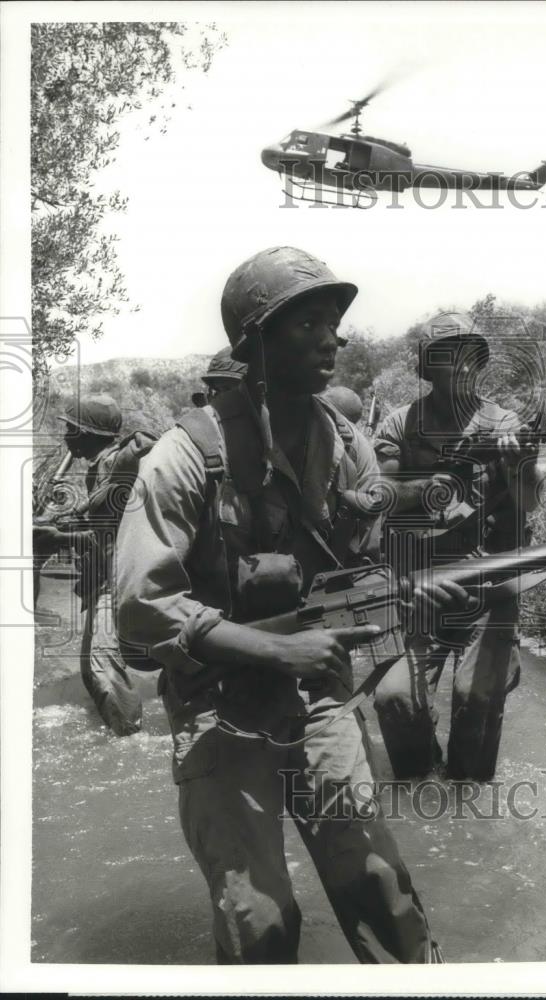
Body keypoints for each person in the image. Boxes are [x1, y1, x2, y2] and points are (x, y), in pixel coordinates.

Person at [115, 246, 460, 964]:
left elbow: (354, 568)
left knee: (378, 886)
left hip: (319, 696)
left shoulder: (342, 444)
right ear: (255, 342)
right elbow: (141, 608)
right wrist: (275, 648)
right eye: (306, 323)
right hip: (219, 706)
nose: (330, 337)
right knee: (261, 919)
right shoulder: (185, 458)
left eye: (333, 321)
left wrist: (408, 588)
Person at [373, 311, 541, 782]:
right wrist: (438, 485)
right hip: (416, 586)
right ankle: (420, 788)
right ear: (428, 367)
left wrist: (520, 463)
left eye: (471, 356)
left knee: (475, 698)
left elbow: (529, 503)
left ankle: (470, 805)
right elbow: (379, 499)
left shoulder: (503, 421)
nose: (463, 366)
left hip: (487, 581)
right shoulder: (399, 425)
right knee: (395, 700)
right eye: (449, 357)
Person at [35, 394, 143, 736]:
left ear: (86, 433)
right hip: (106, 577)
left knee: (102, 666)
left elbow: (111, 540)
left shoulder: (112, 467)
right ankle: (118, 731)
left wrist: (58, 538)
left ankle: (130, 744)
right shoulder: (100, 468)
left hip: (117, 577)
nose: (66, 436)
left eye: (70, 429)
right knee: (91, 665)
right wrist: (65, 524)